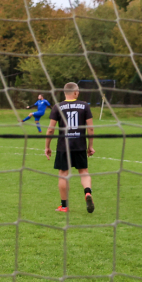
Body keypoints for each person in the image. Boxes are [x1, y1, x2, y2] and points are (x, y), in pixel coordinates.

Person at [45, 82, 94, 214]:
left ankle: (64, 206)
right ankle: (88, 193)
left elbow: (50, 130)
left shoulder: (57, 107)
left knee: (63, 174)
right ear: (76, 93)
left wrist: (47, 147)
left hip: (63, 146)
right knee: (84, 172)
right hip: (80, 145)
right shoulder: (84, 106)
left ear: (64, 93)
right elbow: (90, 128)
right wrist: (90, 146)